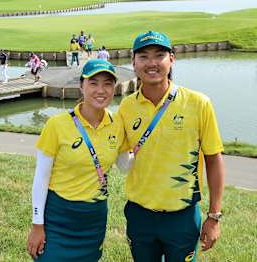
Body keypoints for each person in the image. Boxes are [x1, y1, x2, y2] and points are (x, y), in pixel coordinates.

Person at [117, 31, 225, 262]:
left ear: (172, 59)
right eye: (143, 56)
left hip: (182, 216)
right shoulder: (126, 107)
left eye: (159, 55)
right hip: (139, 214)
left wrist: (214, 216)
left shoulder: (198, 103)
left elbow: (214, 159)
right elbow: (120, 155)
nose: (152, 63)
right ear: (133, 62)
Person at [27, 59, 127, 261]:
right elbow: (41, 177)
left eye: (108, 83)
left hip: (93, 217)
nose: (101, 90)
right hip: (58, 215)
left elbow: (125, 166)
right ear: (81, 86)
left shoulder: (118, 124)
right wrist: (37, 224)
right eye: (93, 82)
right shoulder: (57, 124)